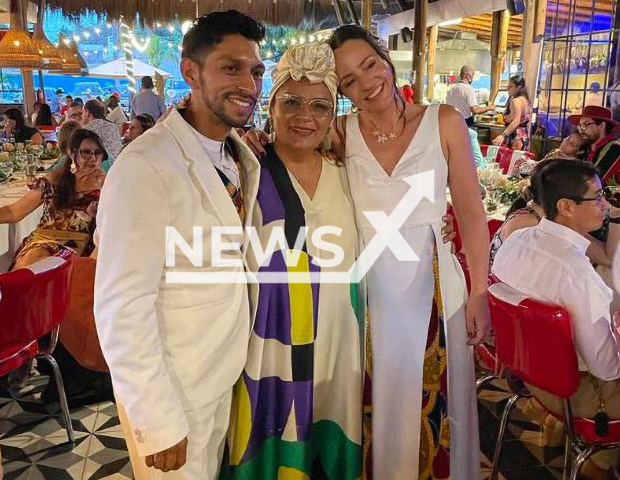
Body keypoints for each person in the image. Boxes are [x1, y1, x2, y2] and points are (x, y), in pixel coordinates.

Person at [94, 11, 265, 480]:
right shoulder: (144, 167)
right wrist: (155, 418)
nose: (248, 84)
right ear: (190, 71)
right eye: (230, 68)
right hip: (173, 388)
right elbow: (122, 306)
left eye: (254, 71)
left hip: (222, 374)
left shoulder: (238, 153)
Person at [329, 26, 489, 480]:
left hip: (436, 280)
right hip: (370, 290)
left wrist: (479, 291)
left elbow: (473, 214)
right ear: (340, 92)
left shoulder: (444, 121)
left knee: (438, 404)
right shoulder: (340, 132)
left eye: (369, 65)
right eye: (348, 82)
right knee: (379, 402)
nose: (366, 83)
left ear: (386, 58)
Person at [223, 41, 363, 480]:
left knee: (330, 436)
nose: (307, 116)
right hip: (273, 348)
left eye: (321, 105)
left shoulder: (350, 172)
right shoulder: (245, 169)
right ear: (272, 105)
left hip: (341, 340)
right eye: (293, 102)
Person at [492, 160, 620, 477]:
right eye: (599, 196)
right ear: (566, 206)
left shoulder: (518, 240)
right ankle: (597, 462)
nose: (605, 204)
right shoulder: (573, 269)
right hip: (575, 391)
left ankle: (557, 427)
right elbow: (606, 366)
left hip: (529, 376)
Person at [0, 129, 105, 269]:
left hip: (81, 244)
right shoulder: (56, 179)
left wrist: (103, 186)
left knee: (47, 265)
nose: (93, 158)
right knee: (32, 260)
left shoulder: (106, 184)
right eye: (86, 152)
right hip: (44, 239)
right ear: (72, 153)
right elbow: (15, 211)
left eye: (98, 152)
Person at [568, 105, 620, 184]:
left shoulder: (615, 148)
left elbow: (594, 181)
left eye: (585, 124)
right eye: (580, 126)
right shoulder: (587, 148)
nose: (581, 130)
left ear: (602, 126)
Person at [493, 75, 532, 150]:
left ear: (519, 87)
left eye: (511, 86)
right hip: (523, 136)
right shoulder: (525, 100)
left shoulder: (515, 101)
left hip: (515, 136)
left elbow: (516, 121)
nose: (508, 89)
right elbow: (520, 118)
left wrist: (503, 135)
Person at [82, 99, 123, 165]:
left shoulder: (86, 130)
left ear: (87, 112)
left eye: (83, 112)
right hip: (118, 166)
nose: (82, 116)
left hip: (101, 169)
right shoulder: (112, 126)